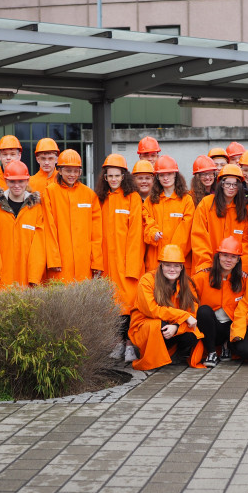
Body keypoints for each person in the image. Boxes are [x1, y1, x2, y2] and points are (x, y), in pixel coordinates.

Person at [96, 154, 144, 364]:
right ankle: (117, 343)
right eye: (110, 176)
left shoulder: (133, 198)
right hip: (107, 263)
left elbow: (136, 235)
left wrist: (132, 266)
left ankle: (131, 344)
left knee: (131, 305)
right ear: (105, 177)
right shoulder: (100, 198)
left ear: (124, 176)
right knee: (113, 306)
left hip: (127, 263)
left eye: (117, 175)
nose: (113, 179)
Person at [128, 244, 204, 371]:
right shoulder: (147, 280)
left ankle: (173, 353)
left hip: (172, 325)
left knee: (192, 335)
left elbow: (193, 314)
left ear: (181, 267)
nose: (172, 269)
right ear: (161, 265)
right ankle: (151, 355)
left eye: (176, 266)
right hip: (146, 325)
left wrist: (176, 327)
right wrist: (183, 316)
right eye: (168, 265)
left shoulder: (187, 284)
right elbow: (152, 310)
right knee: (158, 325)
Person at [43, 149, 103, 282]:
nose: (72, 174)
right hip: (61, 264)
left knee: (83, 299)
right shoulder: (49, 192)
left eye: (76, 171)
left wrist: (97, 262)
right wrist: (53, 260)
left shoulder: (89, 194)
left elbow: (96, 233)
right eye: (68, 170)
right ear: (60, 170)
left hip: (84, 263)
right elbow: (48, 228)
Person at [0, 160, 47, 290]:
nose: (16, 185)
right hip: (1, 277)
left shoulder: (36, 208)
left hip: (27, 278)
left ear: (27, 181)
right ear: (6, 181)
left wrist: (34, 277)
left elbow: (40, 245)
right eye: (12, 181)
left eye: (20, 181)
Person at [193, 236, 246, 367]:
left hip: (231, 328)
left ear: (238, 260)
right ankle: (211, 352)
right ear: (218, 256)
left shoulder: (244, 281)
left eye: (233, 257)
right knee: (204, 311)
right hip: (210, 328)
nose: (229, 260)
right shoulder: (202, 277)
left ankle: (227, 346)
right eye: (225, 255)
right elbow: (189, 300)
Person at [192, 164, 248, 274]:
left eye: (235, 185)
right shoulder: (207, 204)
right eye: (227, 184)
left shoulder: (243, 209)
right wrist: (204, 263)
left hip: (234, 271)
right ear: (221, 184)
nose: (231, 188)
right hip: (208, 269)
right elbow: (199, 235)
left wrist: (244, 268)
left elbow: (246, 243)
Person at [142, 155, 194, 272]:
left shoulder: (186, 200)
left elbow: (186, 230)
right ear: (157, 178)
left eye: (169, 174)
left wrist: (172, 255)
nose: (166, 178)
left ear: (175, 175)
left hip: (178, 261)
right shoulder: (150, 201)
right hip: (155, 259)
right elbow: (147, 223)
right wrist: (153, 234)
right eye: (162, 175)